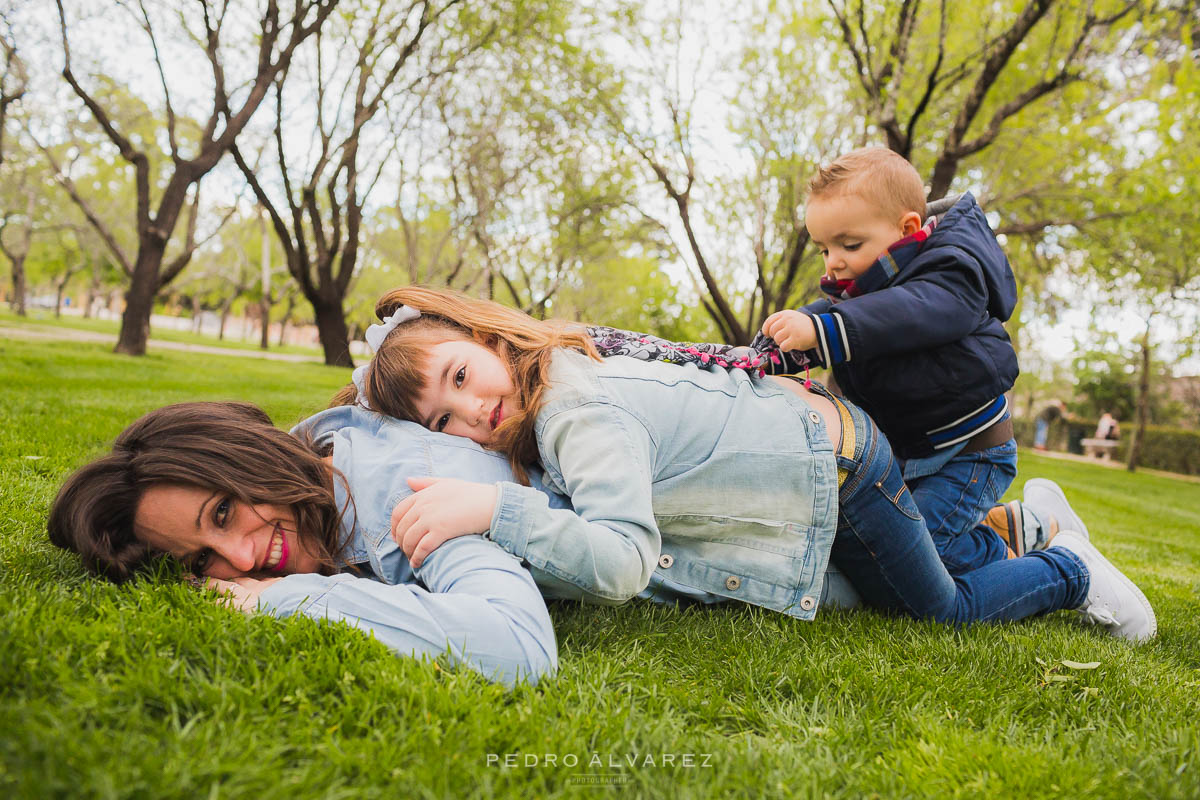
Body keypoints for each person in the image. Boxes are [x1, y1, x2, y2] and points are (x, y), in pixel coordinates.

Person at [347, 285, 1157, 642]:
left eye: (460, 376)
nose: (469, 413)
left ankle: (1066, 566)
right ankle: (1014, 527)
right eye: (442, 422)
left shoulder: (573, 411)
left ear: (488, 339)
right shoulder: (555, 375)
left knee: (933, 609)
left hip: (842, 472)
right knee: (890, 578)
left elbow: (625, 560)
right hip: (809, 463)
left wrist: (493, 511)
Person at [46, 401, 558, 687]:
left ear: (250, 458)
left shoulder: (406, 502)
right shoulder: (317, 460)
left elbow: (519, 648)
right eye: (203, 559)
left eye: (223, 512)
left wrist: (282, 598)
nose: (243, 559)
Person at [754, 147, 1029, 569]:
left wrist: (826, 330)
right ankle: (1003, 524)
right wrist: (767, 354)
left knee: (921, 554)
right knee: (879, 538)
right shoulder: (862, 288)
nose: (835, 262)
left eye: (849, 244)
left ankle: (1013, 551)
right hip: (911, 448)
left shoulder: (950, 273)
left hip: (969, 452)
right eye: (825, 249)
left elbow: (903, 313)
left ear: (907, 228)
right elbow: (830, 317)